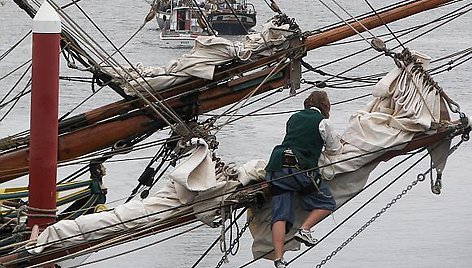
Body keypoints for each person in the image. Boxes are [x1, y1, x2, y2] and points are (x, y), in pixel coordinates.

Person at [264, 90, 342, 268]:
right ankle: (304, 230)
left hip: (276, 165)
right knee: (326, 203)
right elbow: (334, 148)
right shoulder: (323, 122)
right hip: (298, 168)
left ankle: (279, 259)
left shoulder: (294, 117)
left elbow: (295, 139)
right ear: (325, 106)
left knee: (279, 215)